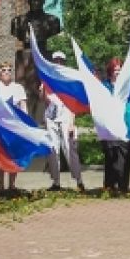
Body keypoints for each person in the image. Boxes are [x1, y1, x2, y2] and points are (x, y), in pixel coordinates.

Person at [42, 51, 85, 191]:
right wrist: (43, 93)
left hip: (66, 115)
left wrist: (72, 122)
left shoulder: (68, 79)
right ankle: (56, 182)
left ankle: (79, 181)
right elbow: (44, 100)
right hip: (51, 117)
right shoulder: (47, 77)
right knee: (53, 148)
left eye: (60, 60)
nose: (58, 62)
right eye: (56, 60)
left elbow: (74, 102)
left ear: (64, 62)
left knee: (69, 147)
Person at [99, 58, 130, 194]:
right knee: (111, 157)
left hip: (125, 126)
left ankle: (123, 186)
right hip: (109, 127)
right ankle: (109, 186)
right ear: (110, 72)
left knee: (125, 157)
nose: (118, 73)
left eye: (120, 71)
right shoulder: (104, 86)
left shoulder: (128, 86)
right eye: (115, 71)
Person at [0, 61, 28, 191]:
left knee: (14, 155)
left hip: (14, 127)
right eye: (3, 70)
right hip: (0, 127)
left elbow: (23, 107)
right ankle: (1, 184)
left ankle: (12, 184)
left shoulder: (18, 88)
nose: (6, 72)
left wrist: (25, 123)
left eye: (8, 70)